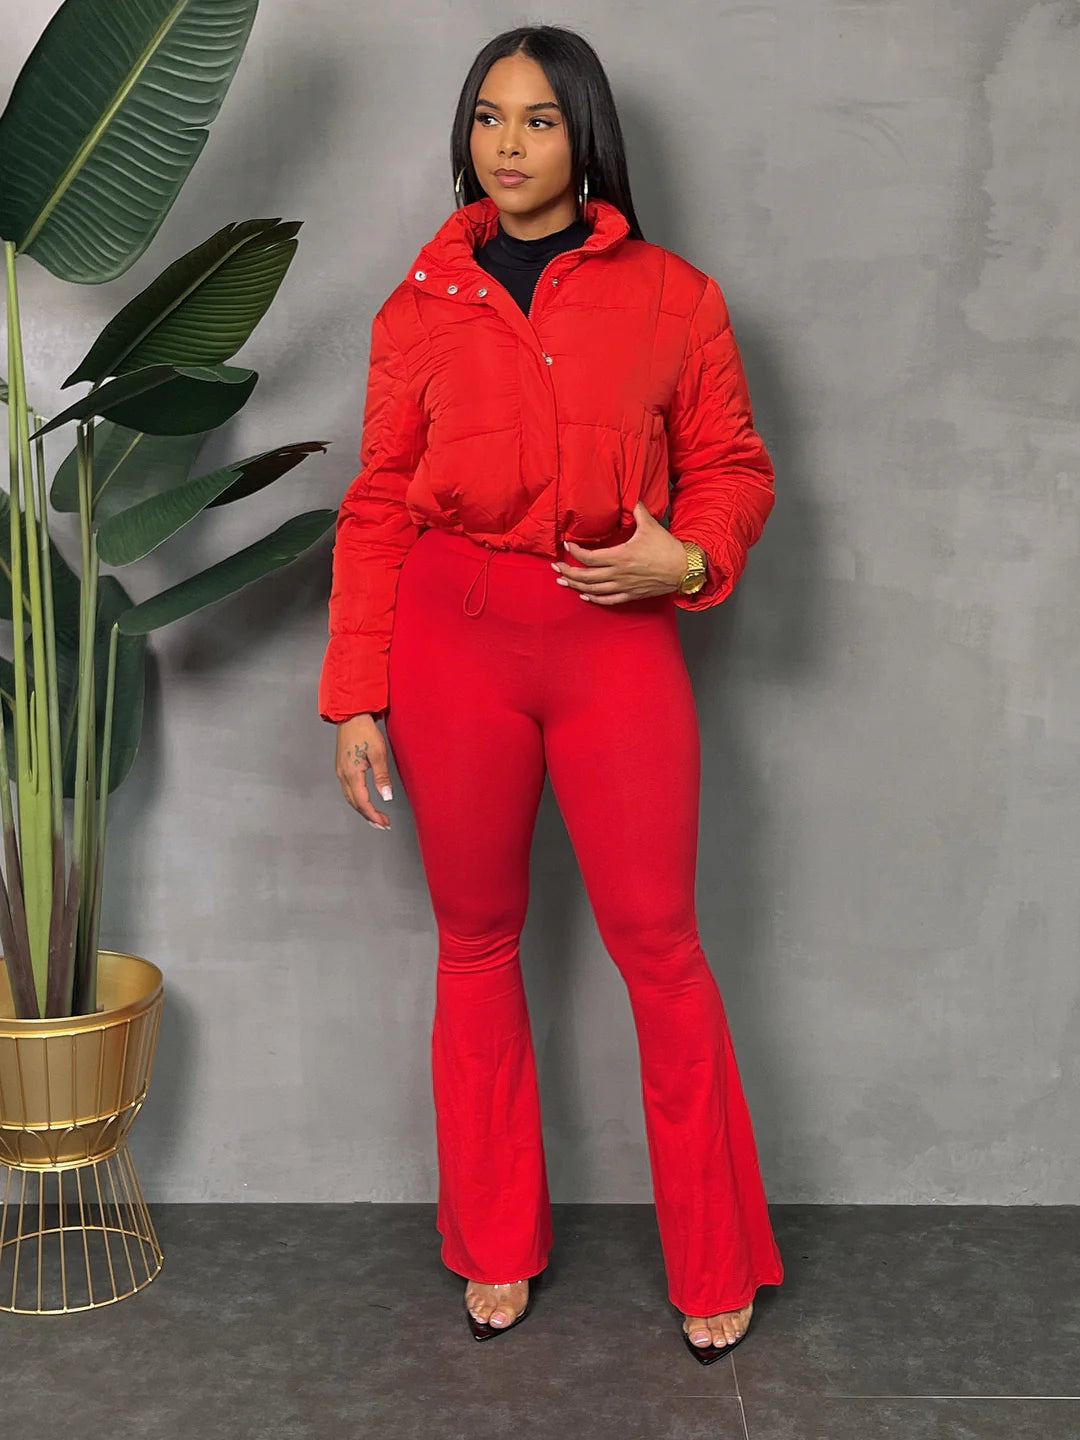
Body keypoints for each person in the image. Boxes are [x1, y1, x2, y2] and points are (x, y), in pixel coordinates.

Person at [318, 24, 784, 1363]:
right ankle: (494, 1244)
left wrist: (686, 556)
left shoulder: (676, 295)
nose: (506, 146)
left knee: (663, 948)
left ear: (585, 134)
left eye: (536, 120)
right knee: (474, 946)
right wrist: (358, 692)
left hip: (615, 640)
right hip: (454, 644)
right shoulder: (414, 312)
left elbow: (735, 462)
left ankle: (713, 1255)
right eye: (485, 118)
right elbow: (375, 510)